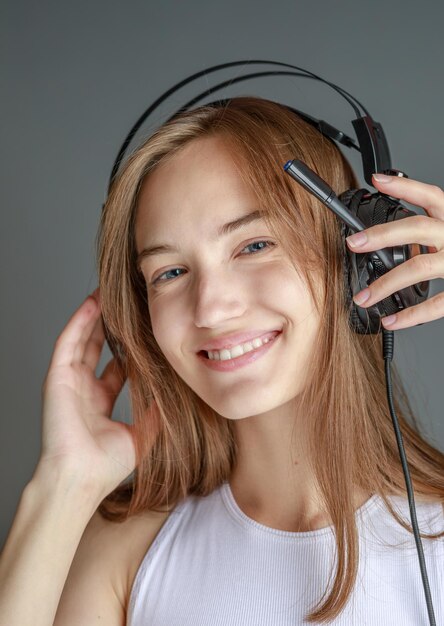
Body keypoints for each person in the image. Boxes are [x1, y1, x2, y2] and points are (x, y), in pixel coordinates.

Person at [0, 97, 443, 626]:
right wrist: (62, 484)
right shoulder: (126, 552)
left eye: (254, 245)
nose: (210, 308)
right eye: (169, 273)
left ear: (358, 262)